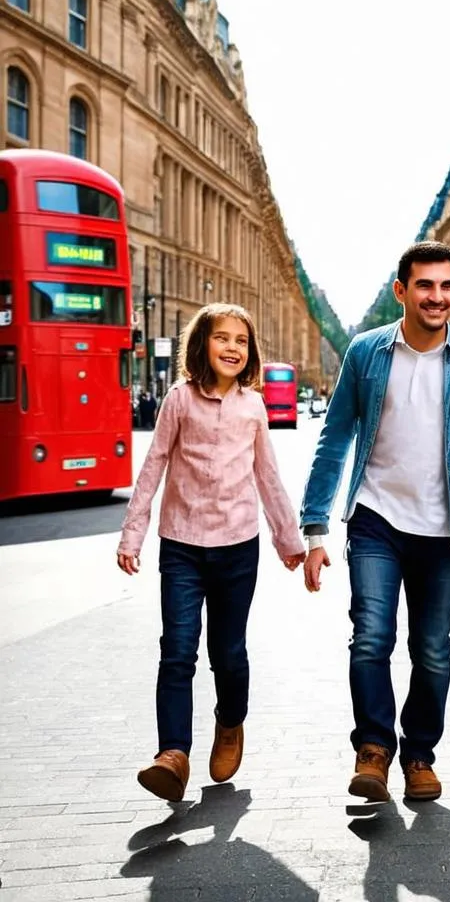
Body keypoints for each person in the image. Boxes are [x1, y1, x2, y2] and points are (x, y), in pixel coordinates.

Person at [299, 241, 450, 804]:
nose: (437, 297)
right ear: (402, 291)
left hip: (448, 527)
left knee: (433, 647)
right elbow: (335, 437)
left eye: (446, 286)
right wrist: (316, 526)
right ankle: (373, 749)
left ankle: (419, 754)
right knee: (371, 636)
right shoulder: (367, 353)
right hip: (376, 518)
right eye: (425, 286)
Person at [117, 303, 305, 802]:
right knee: (177, 651)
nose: (232, 347)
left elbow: (268, 477)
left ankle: (229, 723)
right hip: (181, 545)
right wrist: (132, 534)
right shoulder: (178, 400)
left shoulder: (254, 407)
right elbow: (154, 464)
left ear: (251, 352)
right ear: (201, 345)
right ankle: (172, 755)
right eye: (221, 338)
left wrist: (290, 541)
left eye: (241, 341)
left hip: (237, 549)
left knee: (228, 652)